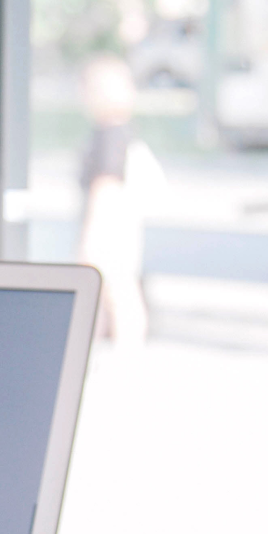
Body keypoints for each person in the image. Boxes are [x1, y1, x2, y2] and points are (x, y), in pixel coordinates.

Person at [76, 54, 150, 346]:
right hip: (120, 230)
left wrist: (89, 239)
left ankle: (127, 352)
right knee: (114, 293)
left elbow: (104, 188)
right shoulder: (123, 133)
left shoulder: (109, 136)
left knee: (117, 293)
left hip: (107, 232)